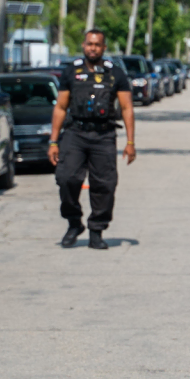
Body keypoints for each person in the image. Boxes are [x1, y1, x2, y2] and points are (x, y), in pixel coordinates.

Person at [47, 29, 136, 249]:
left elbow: (126, 108)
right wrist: (53, 141)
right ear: (83, 45)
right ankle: (74, 222)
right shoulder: (71, 72)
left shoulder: (116, 74)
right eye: (89, 44)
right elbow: (60, 107)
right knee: (66, 178)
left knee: (104, 184)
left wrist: (131, 143)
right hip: (75, 133)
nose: (93, 48)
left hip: (103, 135)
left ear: (104, 48)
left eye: (97, 45)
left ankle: (97, 230)